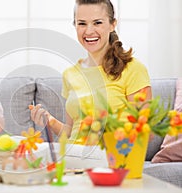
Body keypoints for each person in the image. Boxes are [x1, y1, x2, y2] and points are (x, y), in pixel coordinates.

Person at [30, 0, 152, 144]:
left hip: (112, 159)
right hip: (74, 159)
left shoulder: (132, 68)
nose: (88, 31)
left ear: (113, 24)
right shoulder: (71, 74)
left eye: (97, 23)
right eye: (82, 23)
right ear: (75, 25)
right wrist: (50, 120)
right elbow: (71, 132)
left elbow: (145, 132)